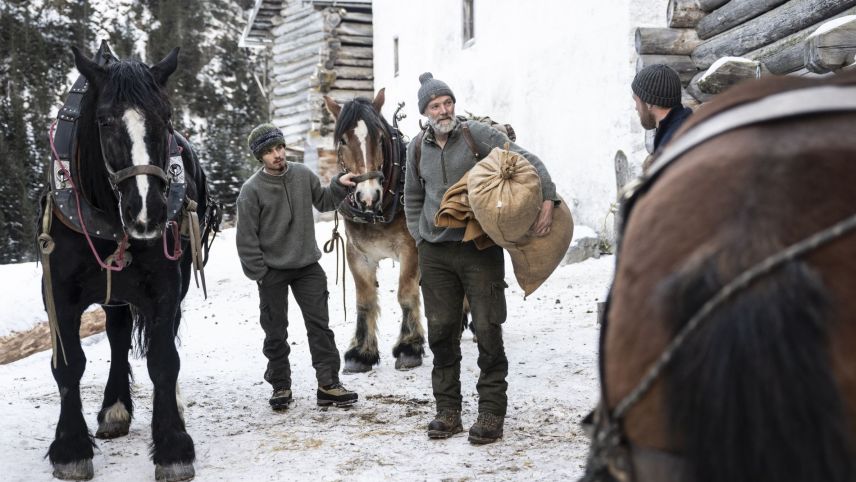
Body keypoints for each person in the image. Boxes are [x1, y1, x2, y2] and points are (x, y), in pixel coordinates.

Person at [404, 72, 558, 444]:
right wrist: (419, 238)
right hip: (435, 253)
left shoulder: (477, 135)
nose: (444, 110)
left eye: (447, 102)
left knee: (488, 329)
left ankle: (490, 413)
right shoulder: (416, 148)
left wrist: (549, 198)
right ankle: (448, 411)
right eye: (435, 106)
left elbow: (526, 159)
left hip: (479, 249)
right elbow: (411, 197)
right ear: (424, 112)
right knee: (441, 333)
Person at [236, 123, 358, 411]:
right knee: (275, 330)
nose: (277, 155)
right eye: (269, 151)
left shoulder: (303, 175)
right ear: (260, 157)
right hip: (272, 271)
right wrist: (260, 273)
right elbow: (246, 238)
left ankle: (328, 384)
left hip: (307, 267)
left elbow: (325, 200)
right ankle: (280, 385)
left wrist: (339, 185)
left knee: (320, 327)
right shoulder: (250, 191)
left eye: (279, 147)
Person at [632, 64, 693, 171]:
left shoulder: (671, 146)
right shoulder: (686, 125)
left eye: (636, 101)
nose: (636, 108)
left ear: (649, 103)